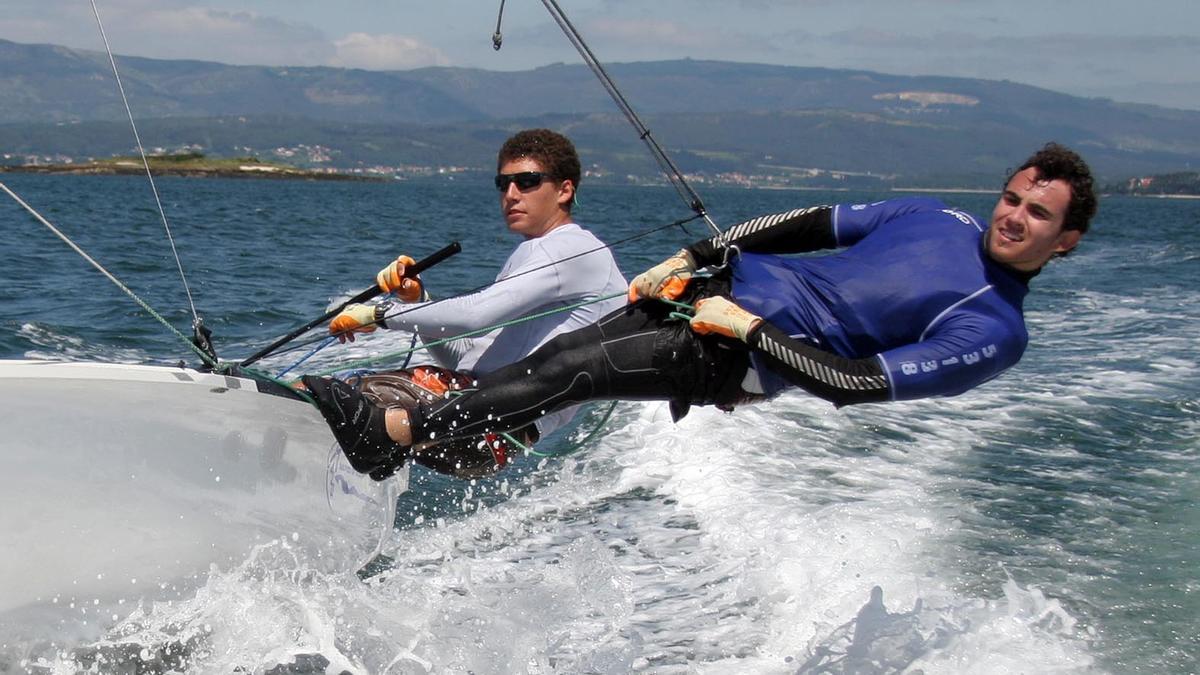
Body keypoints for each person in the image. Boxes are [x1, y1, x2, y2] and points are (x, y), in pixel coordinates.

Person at [305, 142, 1097, 479]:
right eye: (1012, 196)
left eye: (1037, 214)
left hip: (741, 349)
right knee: (552, 363)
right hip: (711, 291)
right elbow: (807, 224)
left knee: (575, 370)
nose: (1013, 215)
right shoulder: (935, 216)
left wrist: (749, 331)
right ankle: (440, 433)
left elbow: (854, 383)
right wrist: (696, 258)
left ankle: (395, 434)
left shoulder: (995, 330)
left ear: (1065, 241)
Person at [317, 128, 626, 478]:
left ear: (564, 190)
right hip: (483, 428)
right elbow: (466, 355)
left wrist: (381, 313)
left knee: (323, 398)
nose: (511, 195)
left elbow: (476, 315)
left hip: (487, 417)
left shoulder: (569, 248)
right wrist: (418, 301)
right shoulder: (538, 251)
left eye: (527, 181)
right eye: (503, 183)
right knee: (338, 411)